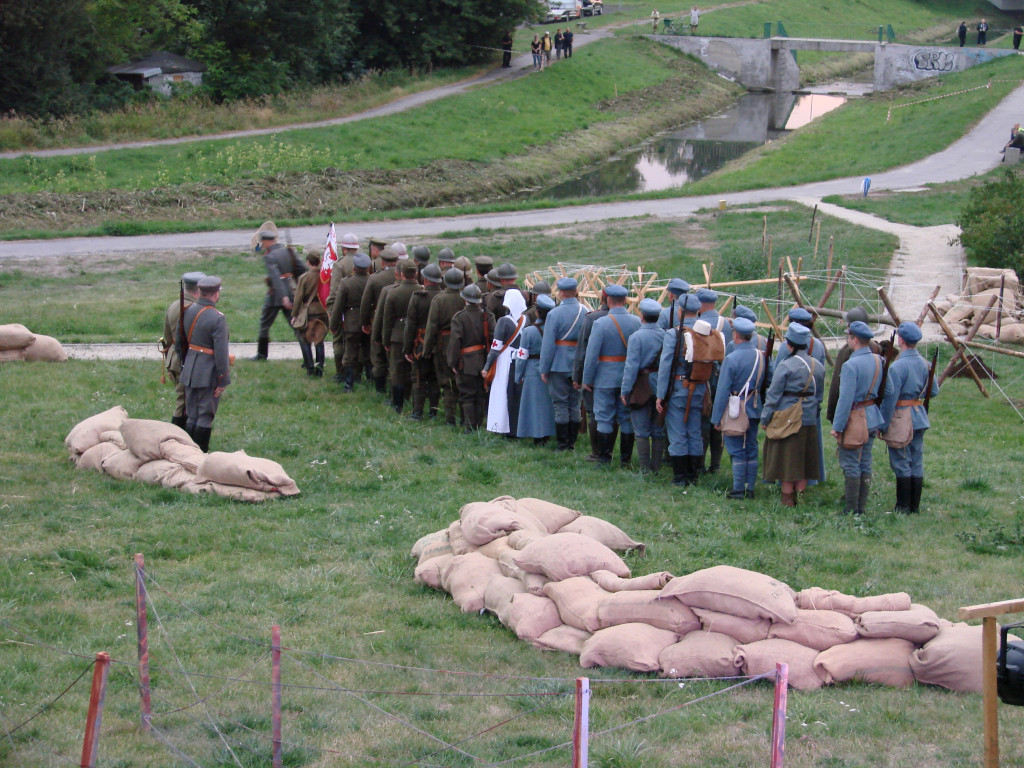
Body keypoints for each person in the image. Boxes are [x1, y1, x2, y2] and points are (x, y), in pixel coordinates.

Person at [657, 295, 722, 487]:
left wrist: (661, 395)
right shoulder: (708, 333)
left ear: (680, 311)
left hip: (679, 389)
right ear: (699, 311)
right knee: (694, 431)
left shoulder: (674, 334)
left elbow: (665, 366)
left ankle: (680, 477)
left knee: (677, 432)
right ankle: (693, 475)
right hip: (700, 389)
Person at [830, 320, 891, 515]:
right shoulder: (878, 361)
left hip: (855, 419)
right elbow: (888, 390)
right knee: (865, 462)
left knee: (850, 463)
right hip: (873, 416)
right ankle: (860, 508)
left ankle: (850, 509)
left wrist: (837, 426)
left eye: (848, 337)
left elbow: (845, 400)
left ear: (854, 339)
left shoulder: (850, 365)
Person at [760, 324, 824, 506]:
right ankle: (801, 496)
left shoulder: (785, 366)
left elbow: (773, 395)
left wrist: (765, 418)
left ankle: (787, 497)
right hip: (809, 417)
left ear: (790, 345)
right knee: (805, 459)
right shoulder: (817, 366)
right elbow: (819, 396)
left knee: (788, 459)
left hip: (788, 417)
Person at [879, 322, 939, 514]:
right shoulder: (926, 364)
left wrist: (883, 423)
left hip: (901, 417)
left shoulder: (897, 367)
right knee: (916, 460)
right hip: (919, 416)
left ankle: (903, 506)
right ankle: (914, 506)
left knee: (901, 460)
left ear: (901, 340)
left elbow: (890, 397)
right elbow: (934, 391)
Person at [583, 284, 641, 466]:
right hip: (628, 376)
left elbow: (591, 355)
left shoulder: (600, 323)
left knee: (604, 417)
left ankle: (604, 457)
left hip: (604, 377)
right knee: (626, 418)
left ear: (607, 300)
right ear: (625, 300)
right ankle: (626, 460)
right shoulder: (636, 322)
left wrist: (587, 379)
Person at [711, 317, 768, 499]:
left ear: (735, 335)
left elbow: (722, 390)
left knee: (736, 449)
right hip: (755, 406)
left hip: (736, 408)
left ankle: (738, 489)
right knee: (751, 446)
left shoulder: (732, 358)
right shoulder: (761, 356)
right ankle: (749, 487)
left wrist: (716, 418)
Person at [176, 276, 230, 453]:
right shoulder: (218, 318)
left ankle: (187, 452)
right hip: (208, 372)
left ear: (200, 292)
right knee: (205, 416)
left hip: (190, 369)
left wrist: (186, 364)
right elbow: (221, 353)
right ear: (216, 294)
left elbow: (179, 343)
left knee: (192, 415)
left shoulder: (187, 311)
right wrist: (223, 380)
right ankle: (200, 455)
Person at [540, 277, 589, 451]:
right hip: (579, 363)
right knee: (575, 403)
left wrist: (544, 368)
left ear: (560, 293)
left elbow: (548, 345)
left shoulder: (554, 314)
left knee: (560, 403)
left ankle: (563, 444)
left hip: (559, 364)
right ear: (575, 291)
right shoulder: (586, 310)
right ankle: (572, 443)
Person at [621, 298, 666, 474]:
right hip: (661, 384)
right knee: (658, 428)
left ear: (642, 316)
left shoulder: (636, 337)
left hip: (641, 385)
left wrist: (625, 390)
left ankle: (645, 469)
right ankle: (656, 467)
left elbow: (631, 367)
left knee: (641, 430)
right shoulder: (666, 335)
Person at [252, 228, 306, 361]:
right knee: (296, 326)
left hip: (275, 296)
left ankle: (261, 354)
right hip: (292, 293)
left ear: (266, 242)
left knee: (265, 324)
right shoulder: (288, 251)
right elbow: (302, 270)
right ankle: (307, 356)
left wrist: (283, 296)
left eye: (262, 242)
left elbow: (275, 277)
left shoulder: (269, 256)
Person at [423, 267, 467, 426]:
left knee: (447, 384)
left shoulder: (439, 300)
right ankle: (464, 418)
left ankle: (450, 419)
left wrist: (426, 349)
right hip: (463, 345)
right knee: (461, 383)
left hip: (443, 346)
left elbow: (432, 327)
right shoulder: (465, 298)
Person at [449, 284, 496, 432]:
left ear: (465, 300)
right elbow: (494, 337)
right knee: (481, 393)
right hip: (484, 360)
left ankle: (469, 426)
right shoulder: (488, 315)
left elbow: (455, 342)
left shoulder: (459, 317)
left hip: (466, 362)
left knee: (467, 394)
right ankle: (478, 423)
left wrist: (453, 362)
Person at [162, 271, 205, 429]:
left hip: (173, 358)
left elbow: (167, 337)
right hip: (185, 359)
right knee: (185, 403)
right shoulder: (192, 309)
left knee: (184, 399)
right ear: (199, 290)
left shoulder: (174, 305)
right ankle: (179, 438)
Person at [483, 289, 528, 437]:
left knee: (503, 393)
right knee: (517, 394)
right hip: (521, 359)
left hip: (505, 361)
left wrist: (486, 367)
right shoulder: (526, 320)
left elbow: (495, 348)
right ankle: (517, 428)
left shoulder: (503, 322)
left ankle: (503, 427)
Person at [573, 288, 611, 459]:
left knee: (593, 413)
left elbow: (582, 351)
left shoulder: (592, 318)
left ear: (602, 298)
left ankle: (598, 452)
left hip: (595, 374)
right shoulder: (632, 320)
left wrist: (578, 377)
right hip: (621, 375)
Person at [403, 263, 444, 421]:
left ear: (425, 279)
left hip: (420, 344)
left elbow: (410, 325)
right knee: (434, 379)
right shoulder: (443, 297)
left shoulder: (418, 297)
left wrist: (407, 349)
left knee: (418, 379)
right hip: (439, 345)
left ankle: (417, 413)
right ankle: (433, 412)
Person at [697, 288, 731, 474]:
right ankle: (716, 464)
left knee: (703, 422)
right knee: (718, 423)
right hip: (723, 378)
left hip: (704, 379)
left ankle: (700, 464)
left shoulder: (698, 323)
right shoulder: (726, 324)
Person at [516, 294, 557, 443]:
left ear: (537, 312)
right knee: (549, 405)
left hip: (532, 371)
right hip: (551, 370)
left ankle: (536, 435)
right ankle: (549, 433)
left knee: (534, 405)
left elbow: (522, 357)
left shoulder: (528, 332)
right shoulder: (555, 330)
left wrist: (518, 375)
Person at [826, 307, 879, 423]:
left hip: (852, 413)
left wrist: (832, 414)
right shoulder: (875, 347)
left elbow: (837, 385)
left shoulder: (846, 351)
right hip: (872, 410)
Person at [381, 260, 421, 413]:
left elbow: (387, 319)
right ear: (415, 274)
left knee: (397, 369)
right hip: (417, 334)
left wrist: (385, 340)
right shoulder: (421, 290)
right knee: (413, 369)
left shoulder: (393, 292)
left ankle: (397, 403)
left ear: (402, 274)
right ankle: (410, 397)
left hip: (397, 335)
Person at [330, 252, 372, 392]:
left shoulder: (346, 282)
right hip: (369, 322)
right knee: (368, 352)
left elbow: (338, 306)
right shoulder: (372, 280)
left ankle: (349, 385)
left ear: (354, 267)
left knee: (350, 354)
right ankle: (371, 382)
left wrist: (333, 325)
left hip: (351, 322)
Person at [360, 247, 399, 393]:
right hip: (399, 322)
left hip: (379, 319)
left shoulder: (375, 278)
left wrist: (365, 322)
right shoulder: (402, 277)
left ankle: (380, 389)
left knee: (378, 355)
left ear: (382, 262)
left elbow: (365, 303)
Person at [328, 232, 360, 380]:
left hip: (343, 310)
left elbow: (334, 292)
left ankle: (340, 372)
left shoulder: (339, 265)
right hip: (361, 310)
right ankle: (357, 372)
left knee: (339, 340)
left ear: (344, 249)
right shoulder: (363, 262)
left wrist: (332, 312)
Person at [291, 252, 328, 377]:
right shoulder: (325, 276)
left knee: (306, 339)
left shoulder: (304, 277)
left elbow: (298, 298)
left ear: (308, 262)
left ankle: (310, 368)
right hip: (323, 311)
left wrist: (295, 315)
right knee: (319, 340)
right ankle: (320, 370)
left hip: (310, 312)